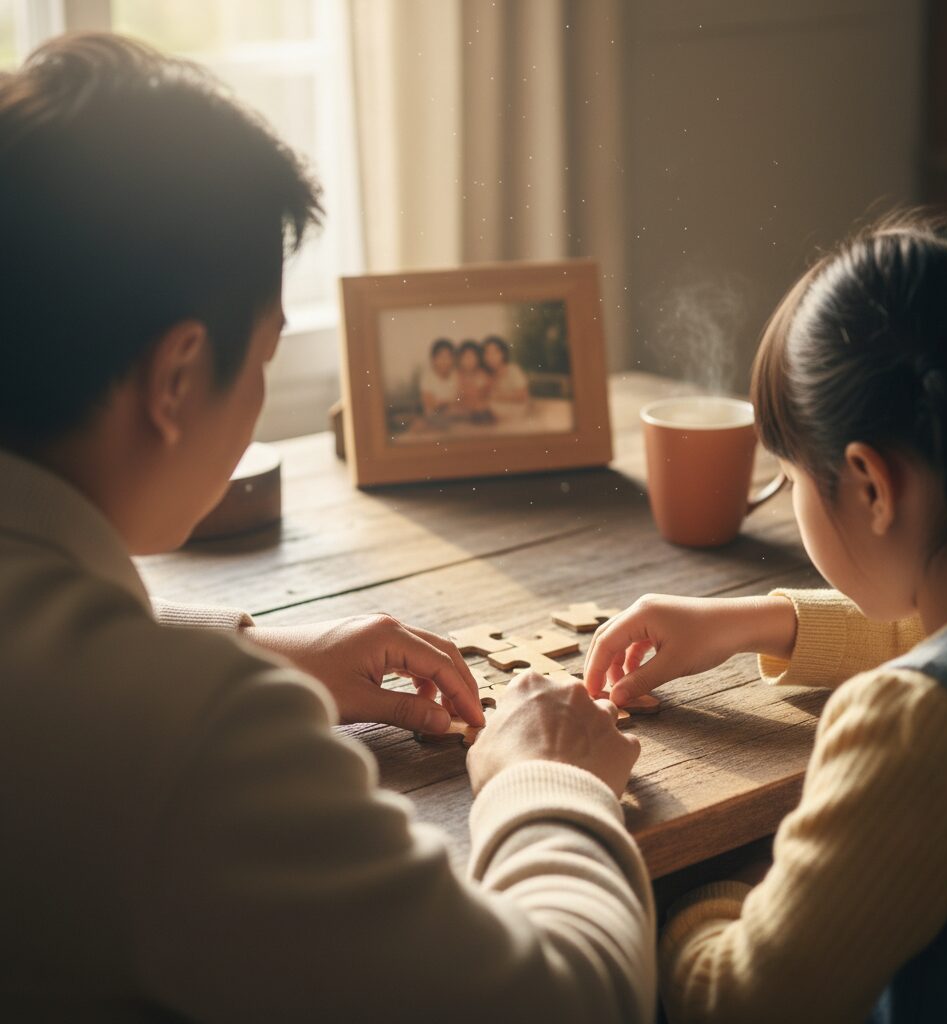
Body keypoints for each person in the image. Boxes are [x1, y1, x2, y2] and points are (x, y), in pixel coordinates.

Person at [0, 34, 655, 1022]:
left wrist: (256, 648)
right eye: (264, 354)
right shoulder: (196, 741)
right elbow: (576, 1002)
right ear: (178, 380)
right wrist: (549, 782)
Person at [585, 213, 947, 1022]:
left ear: (869, 486)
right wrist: (759, 622)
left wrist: (708, 891)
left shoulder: (912, 729)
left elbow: (736, 1001)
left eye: (788, 475)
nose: (789, 496)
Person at [482, 334, 530, 420]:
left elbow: (522, 395)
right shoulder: (486, 374)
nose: (491, 357)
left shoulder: (513, 370)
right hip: (496, 416)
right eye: (487, 353)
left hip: (516, 416)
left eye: (495, 352)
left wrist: (495, 396)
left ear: (503, 353)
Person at [454, 338, 493, 422]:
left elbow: (488, 397)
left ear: (478, 359)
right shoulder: (457, 375)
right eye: (465, 357)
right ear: (459, 359)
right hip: (461, 414)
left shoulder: (483, 375)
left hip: (480, 414)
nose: (469, 360)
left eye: (472, 356)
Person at [418, 337, 458, 417]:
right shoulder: (428, 377)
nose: (444, 361)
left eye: (448, 357)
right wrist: (448, 404)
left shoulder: (456, 375)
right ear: (433, 359)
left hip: (455, 417)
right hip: (434, 418)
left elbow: (460, 401)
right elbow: (429, 403)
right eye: (441, 357)